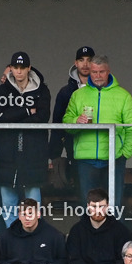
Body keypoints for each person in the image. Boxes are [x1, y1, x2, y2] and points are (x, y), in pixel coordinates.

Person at [63, 55, 132, 207]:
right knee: (88, 207)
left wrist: (125, 153)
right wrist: (76, 121)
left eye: (101, 72)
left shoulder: (123, 95)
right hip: (85, 159)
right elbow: (66, 122)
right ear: (89, 72)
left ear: (108, 71)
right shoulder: (78, 95)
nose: (98, 75)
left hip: (114, 158)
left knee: (113, 206)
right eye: (94, 72)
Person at [0, 51, 51, 226]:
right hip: (7, 154)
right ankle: (13, 238)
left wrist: (13, 118)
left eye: (22, 67)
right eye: (15, 67)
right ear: (10, 68)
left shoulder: (42, 90)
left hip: (34, 153)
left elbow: (42, 117)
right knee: (8, 206)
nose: (19, 71)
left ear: (29, 68)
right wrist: (26, 111)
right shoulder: (2, 91)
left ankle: (34, 238)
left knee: (33, 205)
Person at [48, 46, 93, 192]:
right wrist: (54, 154)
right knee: (81, 189)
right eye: (81, 60)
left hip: (100, 147)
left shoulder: (103, 89)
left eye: (89, 60)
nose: (85, 64)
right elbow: (57, 123)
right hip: (73, 147)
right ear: (75, 63)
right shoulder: (66, 92)